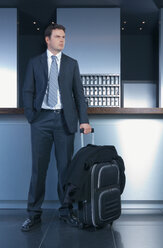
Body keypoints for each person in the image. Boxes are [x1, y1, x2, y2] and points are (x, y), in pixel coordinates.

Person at [21, 24, 91, 231]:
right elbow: (27, 91)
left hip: (64, 121)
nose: (62, 40)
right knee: (38, 170)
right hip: (40, 121)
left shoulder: (71, 63)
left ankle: (66, 212)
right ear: (47, 39)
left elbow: (79, 95)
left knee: (65, 170)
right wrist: (31, 117)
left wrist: (84, 120)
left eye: (64, 37)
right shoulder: (35, 63)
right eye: (58, 37)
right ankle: (33, 215)